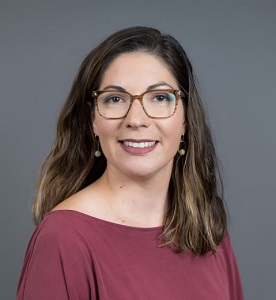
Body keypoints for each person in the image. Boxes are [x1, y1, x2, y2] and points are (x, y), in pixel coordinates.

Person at [17, 26, 243, 299]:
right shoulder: (64, 239)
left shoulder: (207, 229)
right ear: (93, 120)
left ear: (185, 118)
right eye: (115, 99)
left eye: (160, 98)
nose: (136, 119)